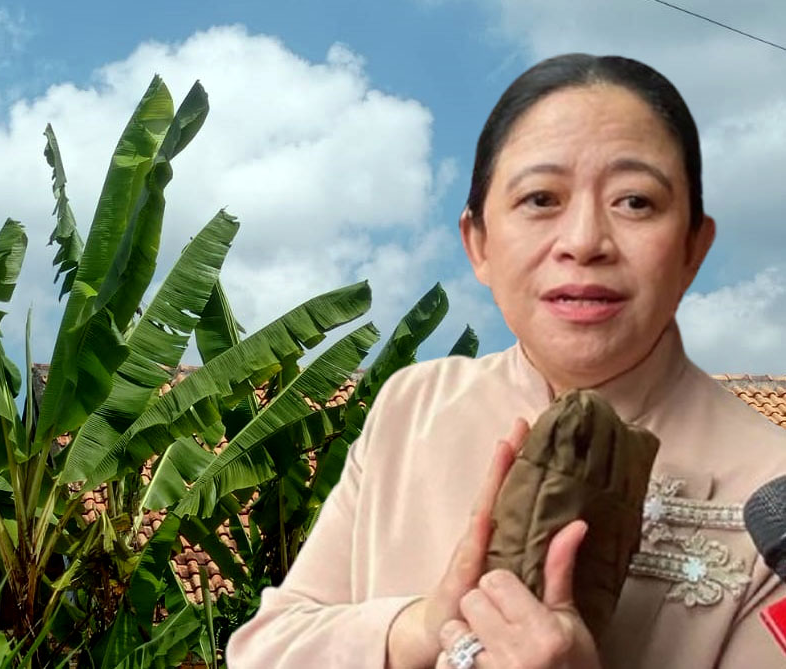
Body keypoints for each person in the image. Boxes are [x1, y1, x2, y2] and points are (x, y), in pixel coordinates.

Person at [225, 53, 786, 669]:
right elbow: (266, 648)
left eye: (635, 202)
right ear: (479, 244)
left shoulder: (773, 483)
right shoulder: (412, 406)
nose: (583, 242)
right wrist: (420, 628)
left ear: (693, 248)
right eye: (541, 198)